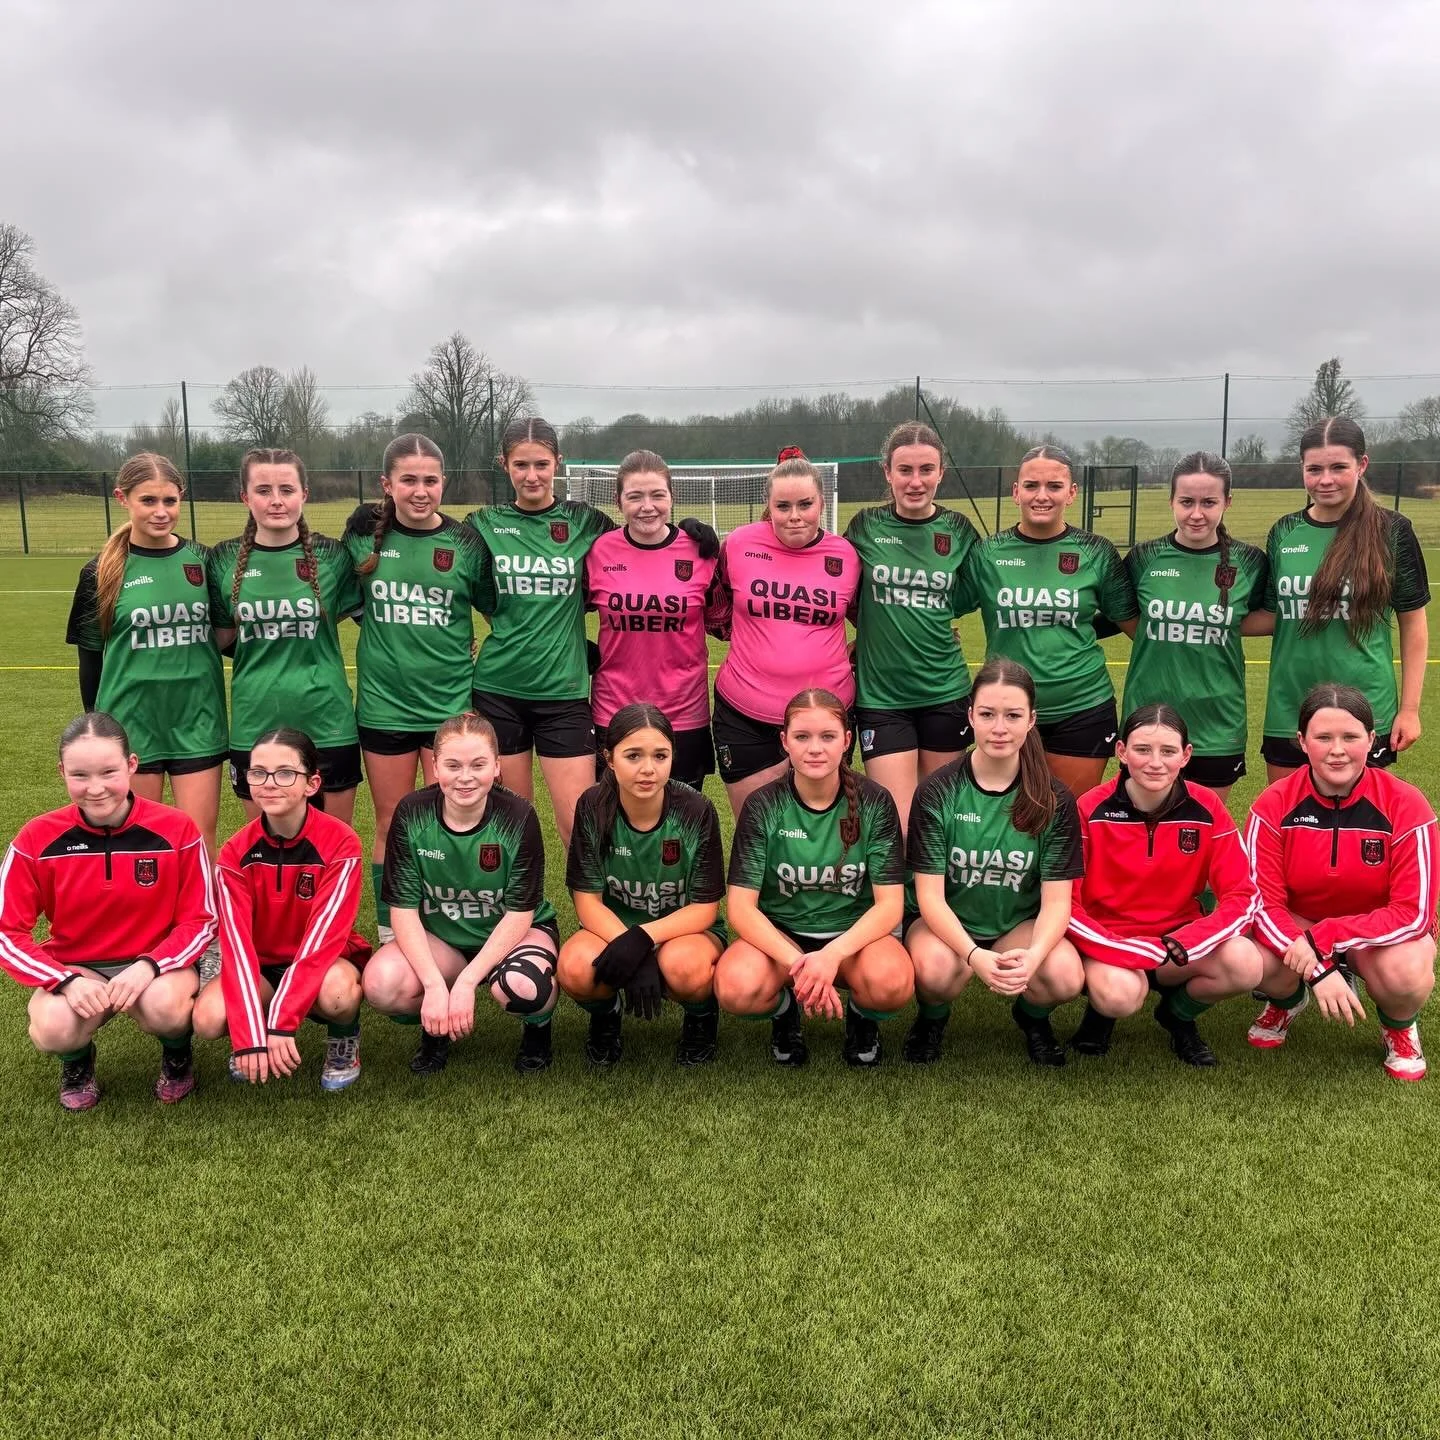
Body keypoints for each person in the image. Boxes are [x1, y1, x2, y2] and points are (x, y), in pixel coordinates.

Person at [465, 419, 715, 852]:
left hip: (566, 694)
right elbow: (467, 583)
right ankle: (524, 914)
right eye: (520, 465)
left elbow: (644, 536)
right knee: (509, 822)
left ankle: (603, 913)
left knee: (581, 825)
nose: (531, 475)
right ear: (504, 465)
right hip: (499, 689)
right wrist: (378, 515)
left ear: (557, 463)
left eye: (541, 464)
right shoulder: (481, 523)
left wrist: (689, 529)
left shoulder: (586, 524)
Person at [0, 712, 215, 1110]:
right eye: (79, 775)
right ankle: (77, 1062)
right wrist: (64, 980)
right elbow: (6, 932)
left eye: (108, 772)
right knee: (52, 1027)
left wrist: (150, 965)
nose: (95, 789)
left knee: (167, 1008)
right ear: (62, 771)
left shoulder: (177, 829)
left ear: (131, 766)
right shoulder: (36, 838)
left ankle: (177, 1054)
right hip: (79, 968)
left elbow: (201, 920)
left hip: (154, 966)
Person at [1246, 684, 1438, 1081]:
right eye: (1323, 737)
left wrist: (1328, 937)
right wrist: (1317, 966)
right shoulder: (1273, 804)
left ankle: (1399, 1028)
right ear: (1302, 742)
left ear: (1371, 740)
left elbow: (1414, 913)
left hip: (1375, 932)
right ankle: (1288, 998)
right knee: (1249, 955)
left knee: (1407, 970)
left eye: (1350, 737)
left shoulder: (1406, 804)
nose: (1337, 750)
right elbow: (1260, 903)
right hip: (1301, 925)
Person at [344, 433, 493, 942]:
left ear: (443, 482)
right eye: (408, 480)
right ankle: (391, 929)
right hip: (384, 707)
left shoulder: (465, 544)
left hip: (449, 710)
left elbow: (497, 610)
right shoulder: (363, 540)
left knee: (448, 819)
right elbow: (348, 599)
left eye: (430, 479)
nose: (420, 490)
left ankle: (448, 922)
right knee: (392, 820)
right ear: (387, 484)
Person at [714, 688, 912, 1068]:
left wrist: (833, 954)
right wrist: (801, 965)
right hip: (783, 935)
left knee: (892, 983)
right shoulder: (763, 805)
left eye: (827, 736)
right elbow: (741, 908)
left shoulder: (875, 801)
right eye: (802, 737)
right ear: (784, 741)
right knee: (736, 986)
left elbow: (890, 906)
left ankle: (863, 1018)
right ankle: (784, 1012)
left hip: (854, 938)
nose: (815, 748)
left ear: (847, 741)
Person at [904, 657, 1085, 1067]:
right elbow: (928, 896)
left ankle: (1033, 1017)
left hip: (1014, 926)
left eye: (1012, 715)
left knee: (1064, 976)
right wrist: (973, 955)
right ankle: (932, 1017)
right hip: (947, 921)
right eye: (987, 714)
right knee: (934, 970)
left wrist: (1035, 956)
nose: (999, 727)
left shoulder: (1052, 799)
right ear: (970, 716)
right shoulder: (938, 791)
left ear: (1031, 720)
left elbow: (1058, 901)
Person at [362, 711, 561, 1075]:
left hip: (512, 935)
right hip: (444, 941)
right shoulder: (412, 813)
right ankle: (434, 1028)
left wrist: (468, 981)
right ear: (435, 766)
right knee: (381, 984)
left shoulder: (518, 817)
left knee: (524, 985)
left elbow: (519, 913)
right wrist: (435, 985)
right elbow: (403, 909)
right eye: (453, 765)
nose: (465, 777)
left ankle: (537, 1030)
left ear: (497, 766)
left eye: (478, 764)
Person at [1066, 704, 1263, 1066]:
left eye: (1168, 751)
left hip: (1177, 942)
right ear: (1121, 751)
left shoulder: (1207, 807)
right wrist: (1122, 948)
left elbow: (1242, 894)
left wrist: (1190, 940)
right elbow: (1068, 904)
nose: (1155, 762)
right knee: (1120, 996)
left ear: (1185, 756)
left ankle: (1178, 1016)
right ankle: (1101, 1013)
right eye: (1142, 750)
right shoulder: (1089, 808)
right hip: (1112, 939)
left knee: (1246, 963)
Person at [65, 451, 228, 854]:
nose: (161, 512)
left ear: (181, 498)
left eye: (169, 501)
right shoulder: (99, 571)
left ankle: (202, 919)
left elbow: (229, 640)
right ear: (123, 498)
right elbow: (91, 660)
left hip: (197, 720)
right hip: (130, 723)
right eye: (148, 501)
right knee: (139, 842)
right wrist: (96, 730)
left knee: (198, 840)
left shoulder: (204, 562)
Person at [193, 728, 370, 1092]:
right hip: (262, 965)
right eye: (258, 773)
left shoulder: (341, 842)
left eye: (285, 773)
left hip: (324, 962)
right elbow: (237, 947)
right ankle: (258, 1018)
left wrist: (282, 1023)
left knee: (338, 994)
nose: (269, 783)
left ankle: (343, 1039)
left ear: (312, 783)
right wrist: (249, 1036)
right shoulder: (234, 853)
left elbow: (322, 940)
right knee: (208, 1019)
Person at [1256, 417, 1429, 781]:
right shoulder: (1284, 531)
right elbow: (1276, 615)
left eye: (1339, 467)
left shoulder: (1392, 530)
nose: (1325, 479)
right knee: (1293, 824)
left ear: (1362, 465)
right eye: (1314, 469)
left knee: (1361, 828)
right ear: (1301, 468)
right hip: (1290, 707)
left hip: (1366, 707)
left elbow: (1413, 623)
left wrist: (1410, 710)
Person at [960, 445, 1138, 796]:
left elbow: (1128, 620)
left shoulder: (1096, 552)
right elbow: (938, 604)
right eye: (1031, 486)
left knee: (1068, 820)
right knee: (1010, 819)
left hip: (1081, 706)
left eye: (1054, 486)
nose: (1042, 496)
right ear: (1015, 492)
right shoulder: (987, 554)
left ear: (1072, 493)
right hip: (1006, 712)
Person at [557, 704, 727, 1067]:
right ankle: (606, 1014)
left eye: (660, 755)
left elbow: (705, 908)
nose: (648, 769)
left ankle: (701, 1017)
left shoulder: (696, 809)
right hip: (613, 928)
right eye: (633, 756)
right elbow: (587, 902)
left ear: (672, 757)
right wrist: (628, 945)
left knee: (684, 966)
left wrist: (643, 940)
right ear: (610, 758)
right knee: (574, 966)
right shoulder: (592, 805)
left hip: (683, 930)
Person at [208, 448, 363, 826]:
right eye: (263, 490)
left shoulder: (333, 557)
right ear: (245, 497)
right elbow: (222, 637)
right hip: (254, 724)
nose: (276, 501)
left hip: (329, 722)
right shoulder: (223, 560)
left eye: (287, 490)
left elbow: (375, 620)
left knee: (333, 847)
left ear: (304, 494)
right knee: (266, 852)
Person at [845, 422, 981, 832]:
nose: (916, 481)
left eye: (927, 470)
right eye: (905, 470)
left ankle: (933, 900)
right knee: (899, 823)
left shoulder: (958, 532)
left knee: (942, 821)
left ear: (941, 472)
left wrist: (928, 619)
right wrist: (869, 629)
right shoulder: (865, 525)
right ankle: (898, 900)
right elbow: (843, 593)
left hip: (945, 692)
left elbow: (962, 597)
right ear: (887, 472)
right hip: (882, 698)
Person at [710, 448, 861, 817]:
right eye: (783, 506)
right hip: (745, 716)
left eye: (805, 504)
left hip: (825, 718)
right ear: (769, 504)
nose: (794, 517)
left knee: (819, 833)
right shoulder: (739, 545)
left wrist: (853, 655)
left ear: (822, 502)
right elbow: (713, 609)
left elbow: (874, 623)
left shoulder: (846, 556)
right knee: (757, 836)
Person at [1121, 453, 1269, 802]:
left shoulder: (1250, 562)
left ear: (1227, 502)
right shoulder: (1143, 558)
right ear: (1171, 500)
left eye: (1209, 502)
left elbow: (1272, 617)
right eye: (1186, 502)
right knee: (1145, 829)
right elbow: (1122, 618)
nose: (1197, 513)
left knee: (1201, 834)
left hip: (1218, 723)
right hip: (1148, 720)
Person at [584, 451, 723, 791]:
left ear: (671, 497)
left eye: (657, 495)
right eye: (635, 496)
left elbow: (727, 623)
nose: (647, 506)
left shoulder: (700, 552)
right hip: (614, 710)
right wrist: (575, 648)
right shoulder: (598, 551)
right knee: (614, 827)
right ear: (619, 502)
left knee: (680, 827)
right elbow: (558, 608)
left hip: (683, 713)